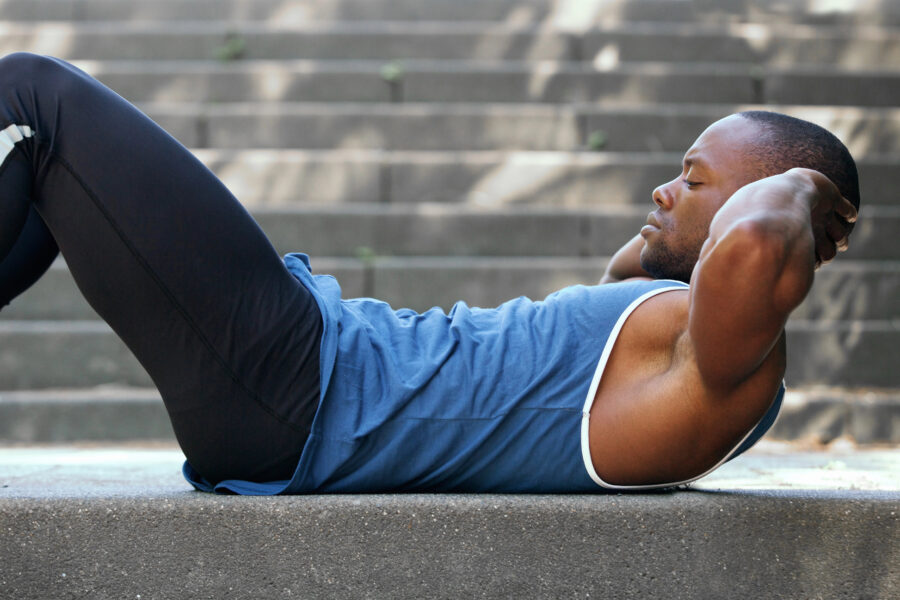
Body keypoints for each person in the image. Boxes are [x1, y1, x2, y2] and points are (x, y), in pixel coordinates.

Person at [0, 53, 859, 494]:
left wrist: (804, 184)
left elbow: (748, 253)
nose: (665, 190)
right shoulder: (660, 331)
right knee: (53, 183)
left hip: (307, 388)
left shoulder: (725, 363)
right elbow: (653, 260)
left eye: (695, 179)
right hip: (307, 374)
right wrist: (734, 201)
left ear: (769, 210)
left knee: (34, 94)